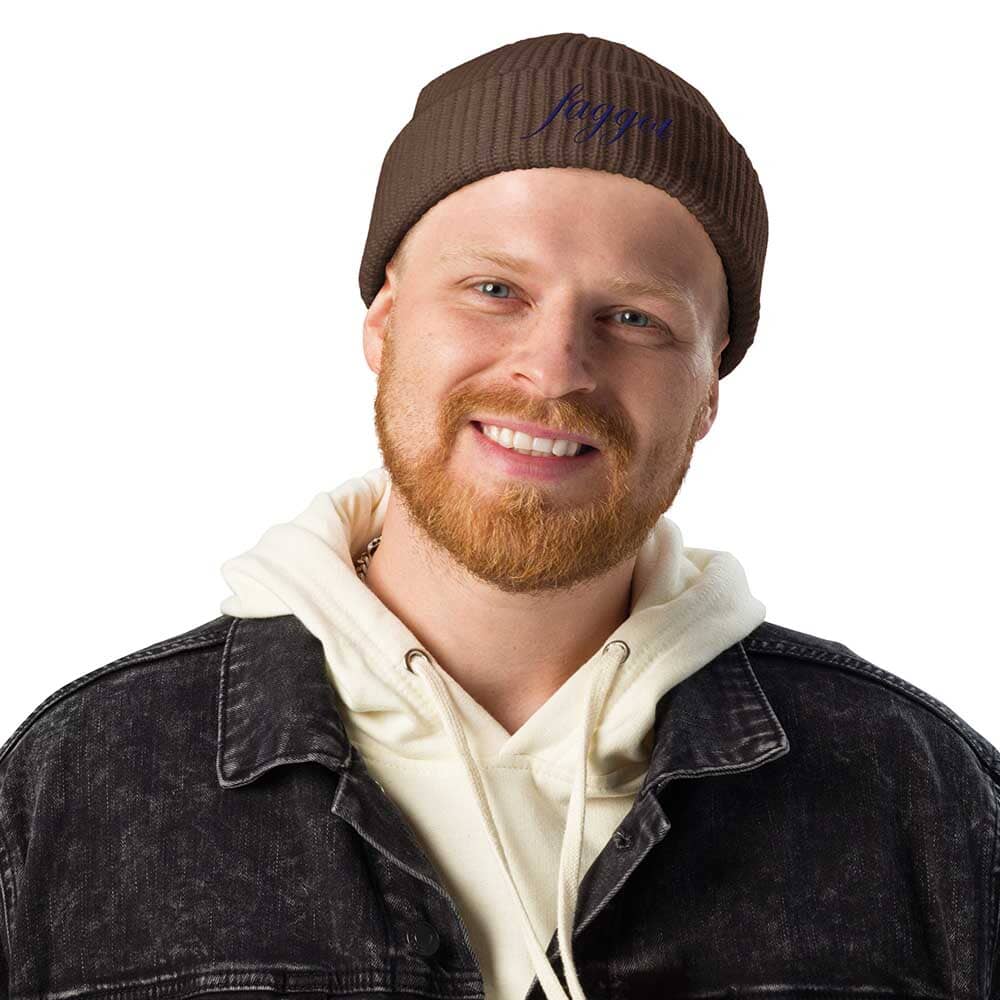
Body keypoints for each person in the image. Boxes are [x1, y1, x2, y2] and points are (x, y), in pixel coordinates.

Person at [1, 31, 997, 1000]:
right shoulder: (80, 781)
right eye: (492, 290)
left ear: (707, 393)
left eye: (635, 318)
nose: (554, 368)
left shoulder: (921, 795)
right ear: (384, 326)